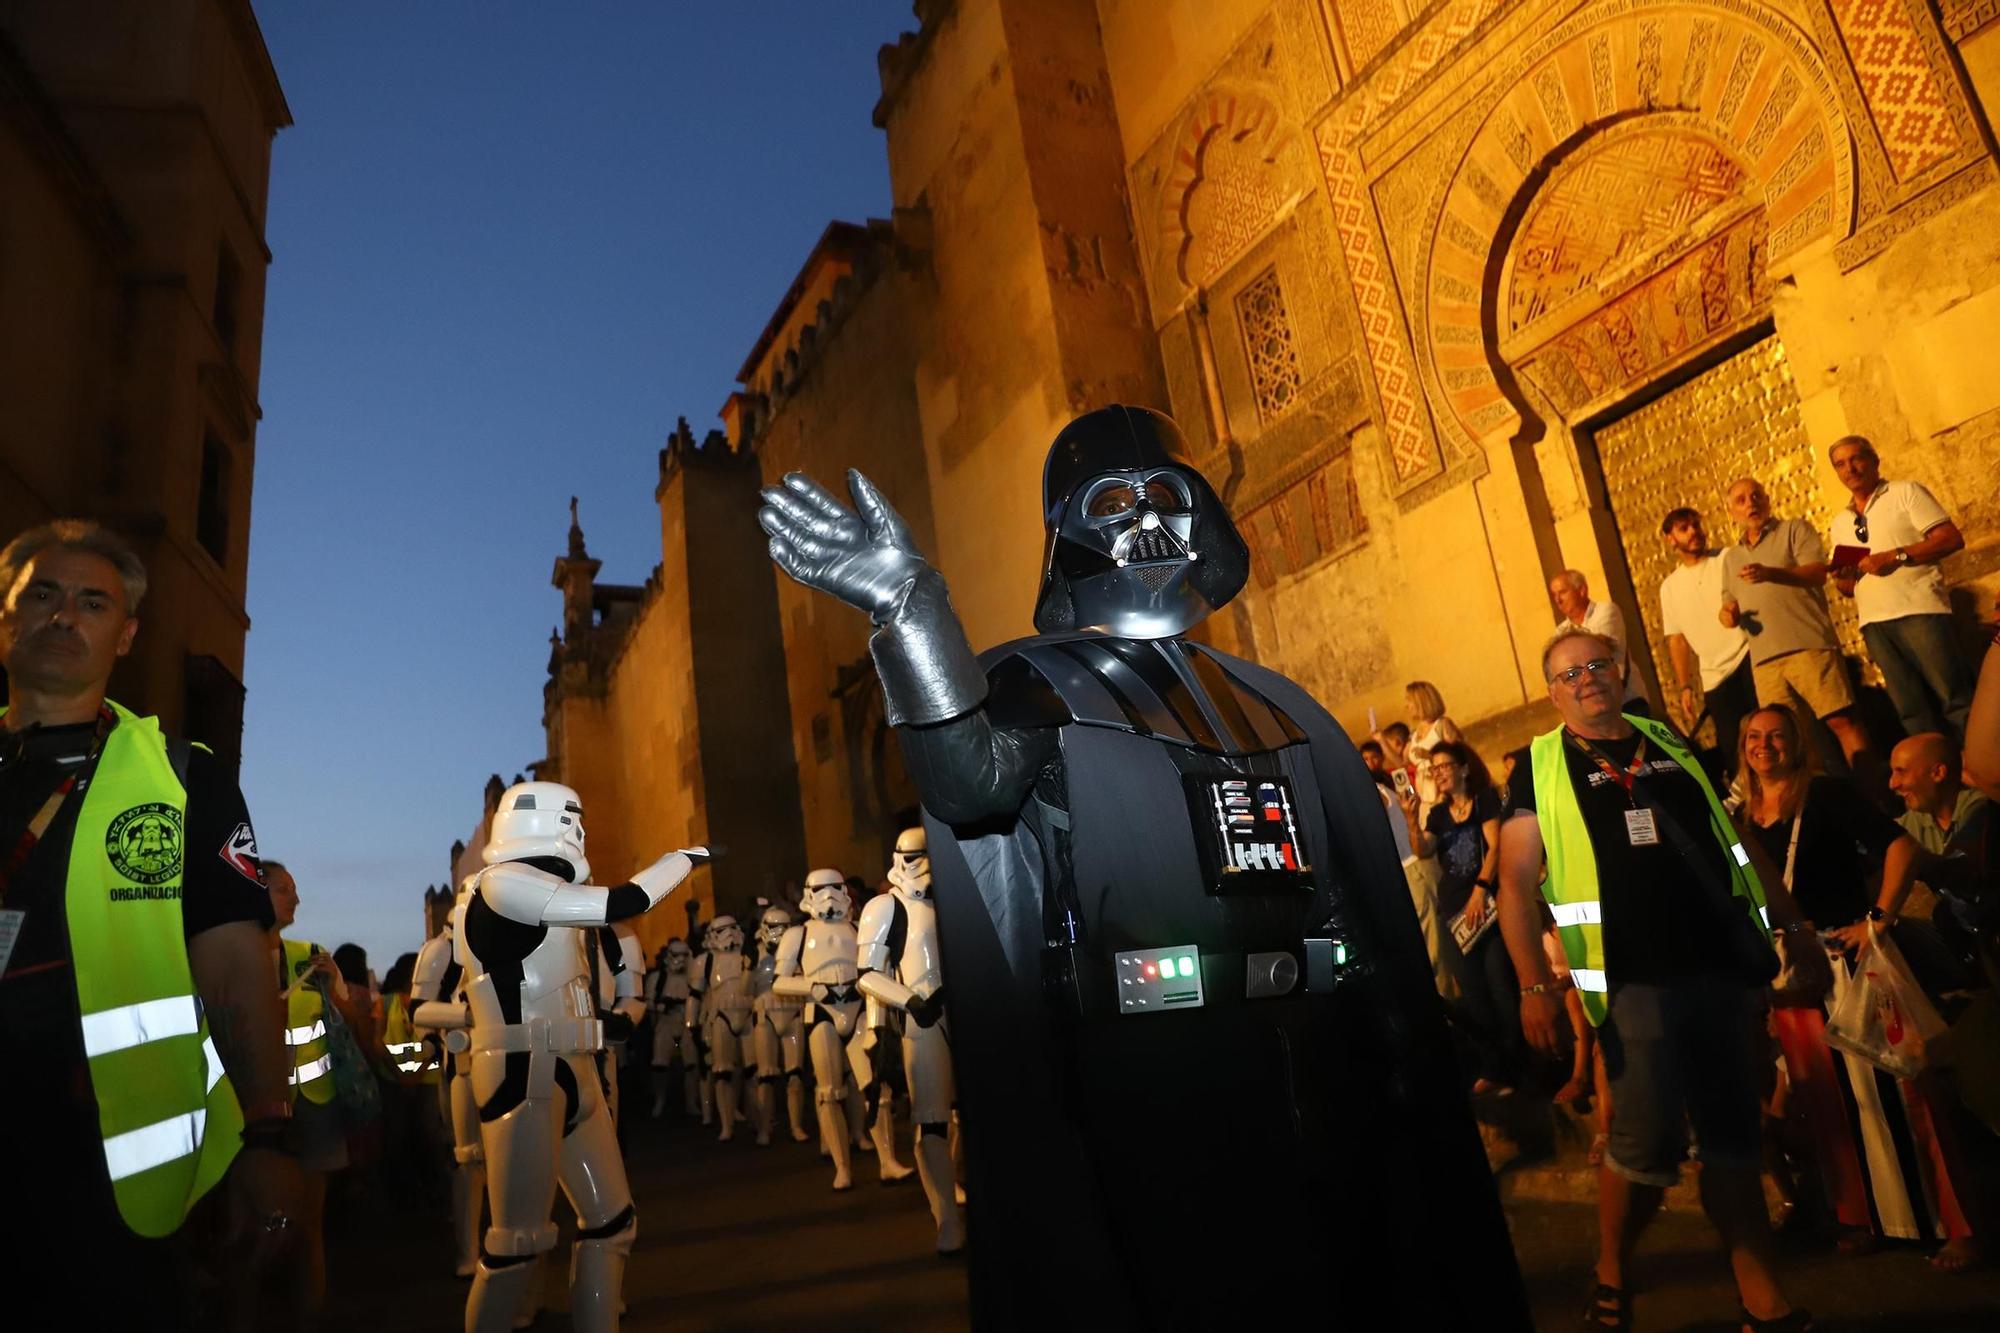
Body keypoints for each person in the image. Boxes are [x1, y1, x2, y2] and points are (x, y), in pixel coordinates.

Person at [759, 405, 1526, 1325]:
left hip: (1322, 1059)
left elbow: (1348, 894)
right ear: (1068, 531)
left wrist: (1406, 1043)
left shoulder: (1280, 703)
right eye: (1113, 500)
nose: (1145, 520)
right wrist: (913, 613)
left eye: (1166, 493)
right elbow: (969, 780)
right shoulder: (1028, 685)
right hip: (1153, 1077)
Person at [0, 520, 298, 1329]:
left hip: (104, 1184)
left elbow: (236, 961)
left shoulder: (181, 777)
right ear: (6, 616)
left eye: (92, 602)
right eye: (43, 596)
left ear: (125, 634)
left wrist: (267, 1139)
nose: (65, 616)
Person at [1496, 627, 1830, 1333]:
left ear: (1619, 671)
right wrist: (1535, 986)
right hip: (1630, 977)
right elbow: (1515, 881)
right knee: (1645, 1143)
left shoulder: (1671, 742)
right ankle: (1613, 1265)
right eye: (1567, 673)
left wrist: (1793, 924)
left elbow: (1735, 842)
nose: (1585, 678)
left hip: (1719, 964)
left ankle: (1762, 1299)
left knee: (1733, 1136)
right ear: (1553, 692)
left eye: (1596, 664)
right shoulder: (1539, 764)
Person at [457, 779, 708, 1333]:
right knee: (515, 1245)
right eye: (572, 818)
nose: (581, 832)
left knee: (611, 1224)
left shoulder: (538, 893)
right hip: (525, 1068)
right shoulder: (504, 884)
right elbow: (624, 901)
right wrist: (682, 859)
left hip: (575, 1066)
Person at [1731, 707, 1967, 1253]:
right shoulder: (1741, 816)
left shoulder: (1827, 795)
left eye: (1777, 736)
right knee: (1830, 1102)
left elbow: (1901, 846)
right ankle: (1865, 1219)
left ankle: (1955, 1227)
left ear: (1797, 744)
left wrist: (1877, 920)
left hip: (1847, 959)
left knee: (1902, 1088)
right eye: (1753, 736)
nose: (1764, 745)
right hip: (1791, 971)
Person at [1720, 477, 1874, 776]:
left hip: (1808, 644)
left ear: (1767, 499)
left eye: (1756, 495)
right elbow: (1729, 604)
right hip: (1764, 661)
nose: (1750, 503)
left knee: (1841, 721)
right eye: (1741, 500)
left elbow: (1817, 573)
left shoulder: (1794, 530)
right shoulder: (1731, 558)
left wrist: (1771, 574)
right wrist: (1728, 616)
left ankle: (1875, 799)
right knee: (1786, 739)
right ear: (1732, 512)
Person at [857, 827, 964, 1253]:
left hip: (965, 1010)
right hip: (923, 1017)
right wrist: (909, 1002)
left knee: (959, 1115)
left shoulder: (956, 891)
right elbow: (868, 973)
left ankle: (951, 1189)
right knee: (932, 1116)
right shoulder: (886, 906)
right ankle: (946, 1219)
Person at [1826, 437, 1973, 740]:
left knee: (1955, 700)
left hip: (1920, 611)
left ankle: (1985, 775)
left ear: (1874, 460)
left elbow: (1950, 538)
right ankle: (1938, 782)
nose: (1850, 468)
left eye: (1856, 459)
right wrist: (1843, 575)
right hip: (1874, 624)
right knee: (1911, 711)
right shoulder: (1841, 522)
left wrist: (1896, 555)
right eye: (1840, 464)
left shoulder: (1905, 492)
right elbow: (1846, 587)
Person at [1404, 740, 1515, 1092]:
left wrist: (1481, 889)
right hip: (1454, 912)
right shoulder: (1437, 814)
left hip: (1487, 907)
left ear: (1463, 768)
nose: (1439, 774)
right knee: (1472, 992)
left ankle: (1517, 1064)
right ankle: (1494, 1067)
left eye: (1444, 766)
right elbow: (1423, 850)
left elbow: (1496, 847)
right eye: (1434, 770)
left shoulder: (1484, 801)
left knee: (1500, 984)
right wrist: (1410, 817)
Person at [772, 872, 871, 1190]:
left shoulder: (857, 928)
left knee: (870, 1084)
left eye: (835, 889)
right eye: (820, 890)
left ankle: (882, 1155)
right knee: (830, 1091)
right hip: (821, 1010)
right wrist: (813, 988)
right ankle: (842, 1166)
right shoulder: (797, 935)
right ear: (808, 894)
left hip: (858, 1006)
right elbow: (780, 981)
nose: (828, 896)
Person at [1659, 506, 1756, 772]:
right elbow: (1676, 639)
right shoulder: (1669, 587)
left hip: (1748, 657)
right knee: (1734, 749)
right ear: (1671, 539)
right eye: (1684, 528)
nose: (1693, 532)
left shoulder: (1727, 558)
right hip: (1715, 675)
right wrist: (1685, 686)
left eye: (1696, 525)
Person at [1552, 569, 1648, 713]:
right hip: (1596, 709)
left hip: (1627, 700)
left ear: (1582, 590)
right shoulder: (1560, 631)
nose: (1558, 600)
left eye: (1563, 592)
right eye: (1554, 595)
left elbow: (1596, 650)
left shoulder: (1606, 611)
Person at [1405, 679, 1464, 818]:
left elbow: (1459, 753)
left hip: (1443, 792)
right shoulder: (1414, 733)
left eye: (1409, 700)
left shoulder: (1442, 724)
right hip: (1425, 796)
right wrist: (1381, 739)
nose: (1407, 706)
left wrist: (1430, 756)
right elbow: (1401, 763)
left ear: (1421, 702)